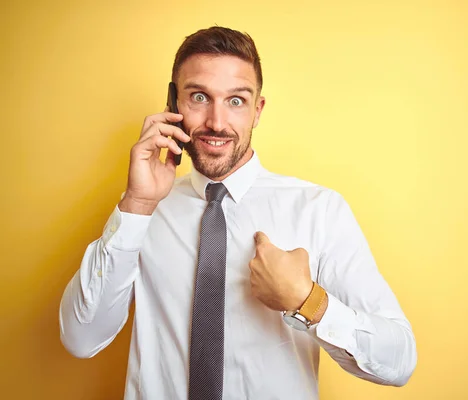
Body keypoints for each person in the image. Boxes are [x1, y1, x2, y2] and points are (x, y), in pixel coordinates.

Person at [59, 26, 417, 400]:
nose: (216, 122)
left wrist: (306, 299)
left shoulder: (318, 210)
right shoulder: (144, 209)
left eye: (236, 101)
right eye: (199, 96)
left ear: (257, 110)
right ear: (172, 104)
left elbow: (400, 360)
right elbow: (80, 338)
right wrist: (137, 204)